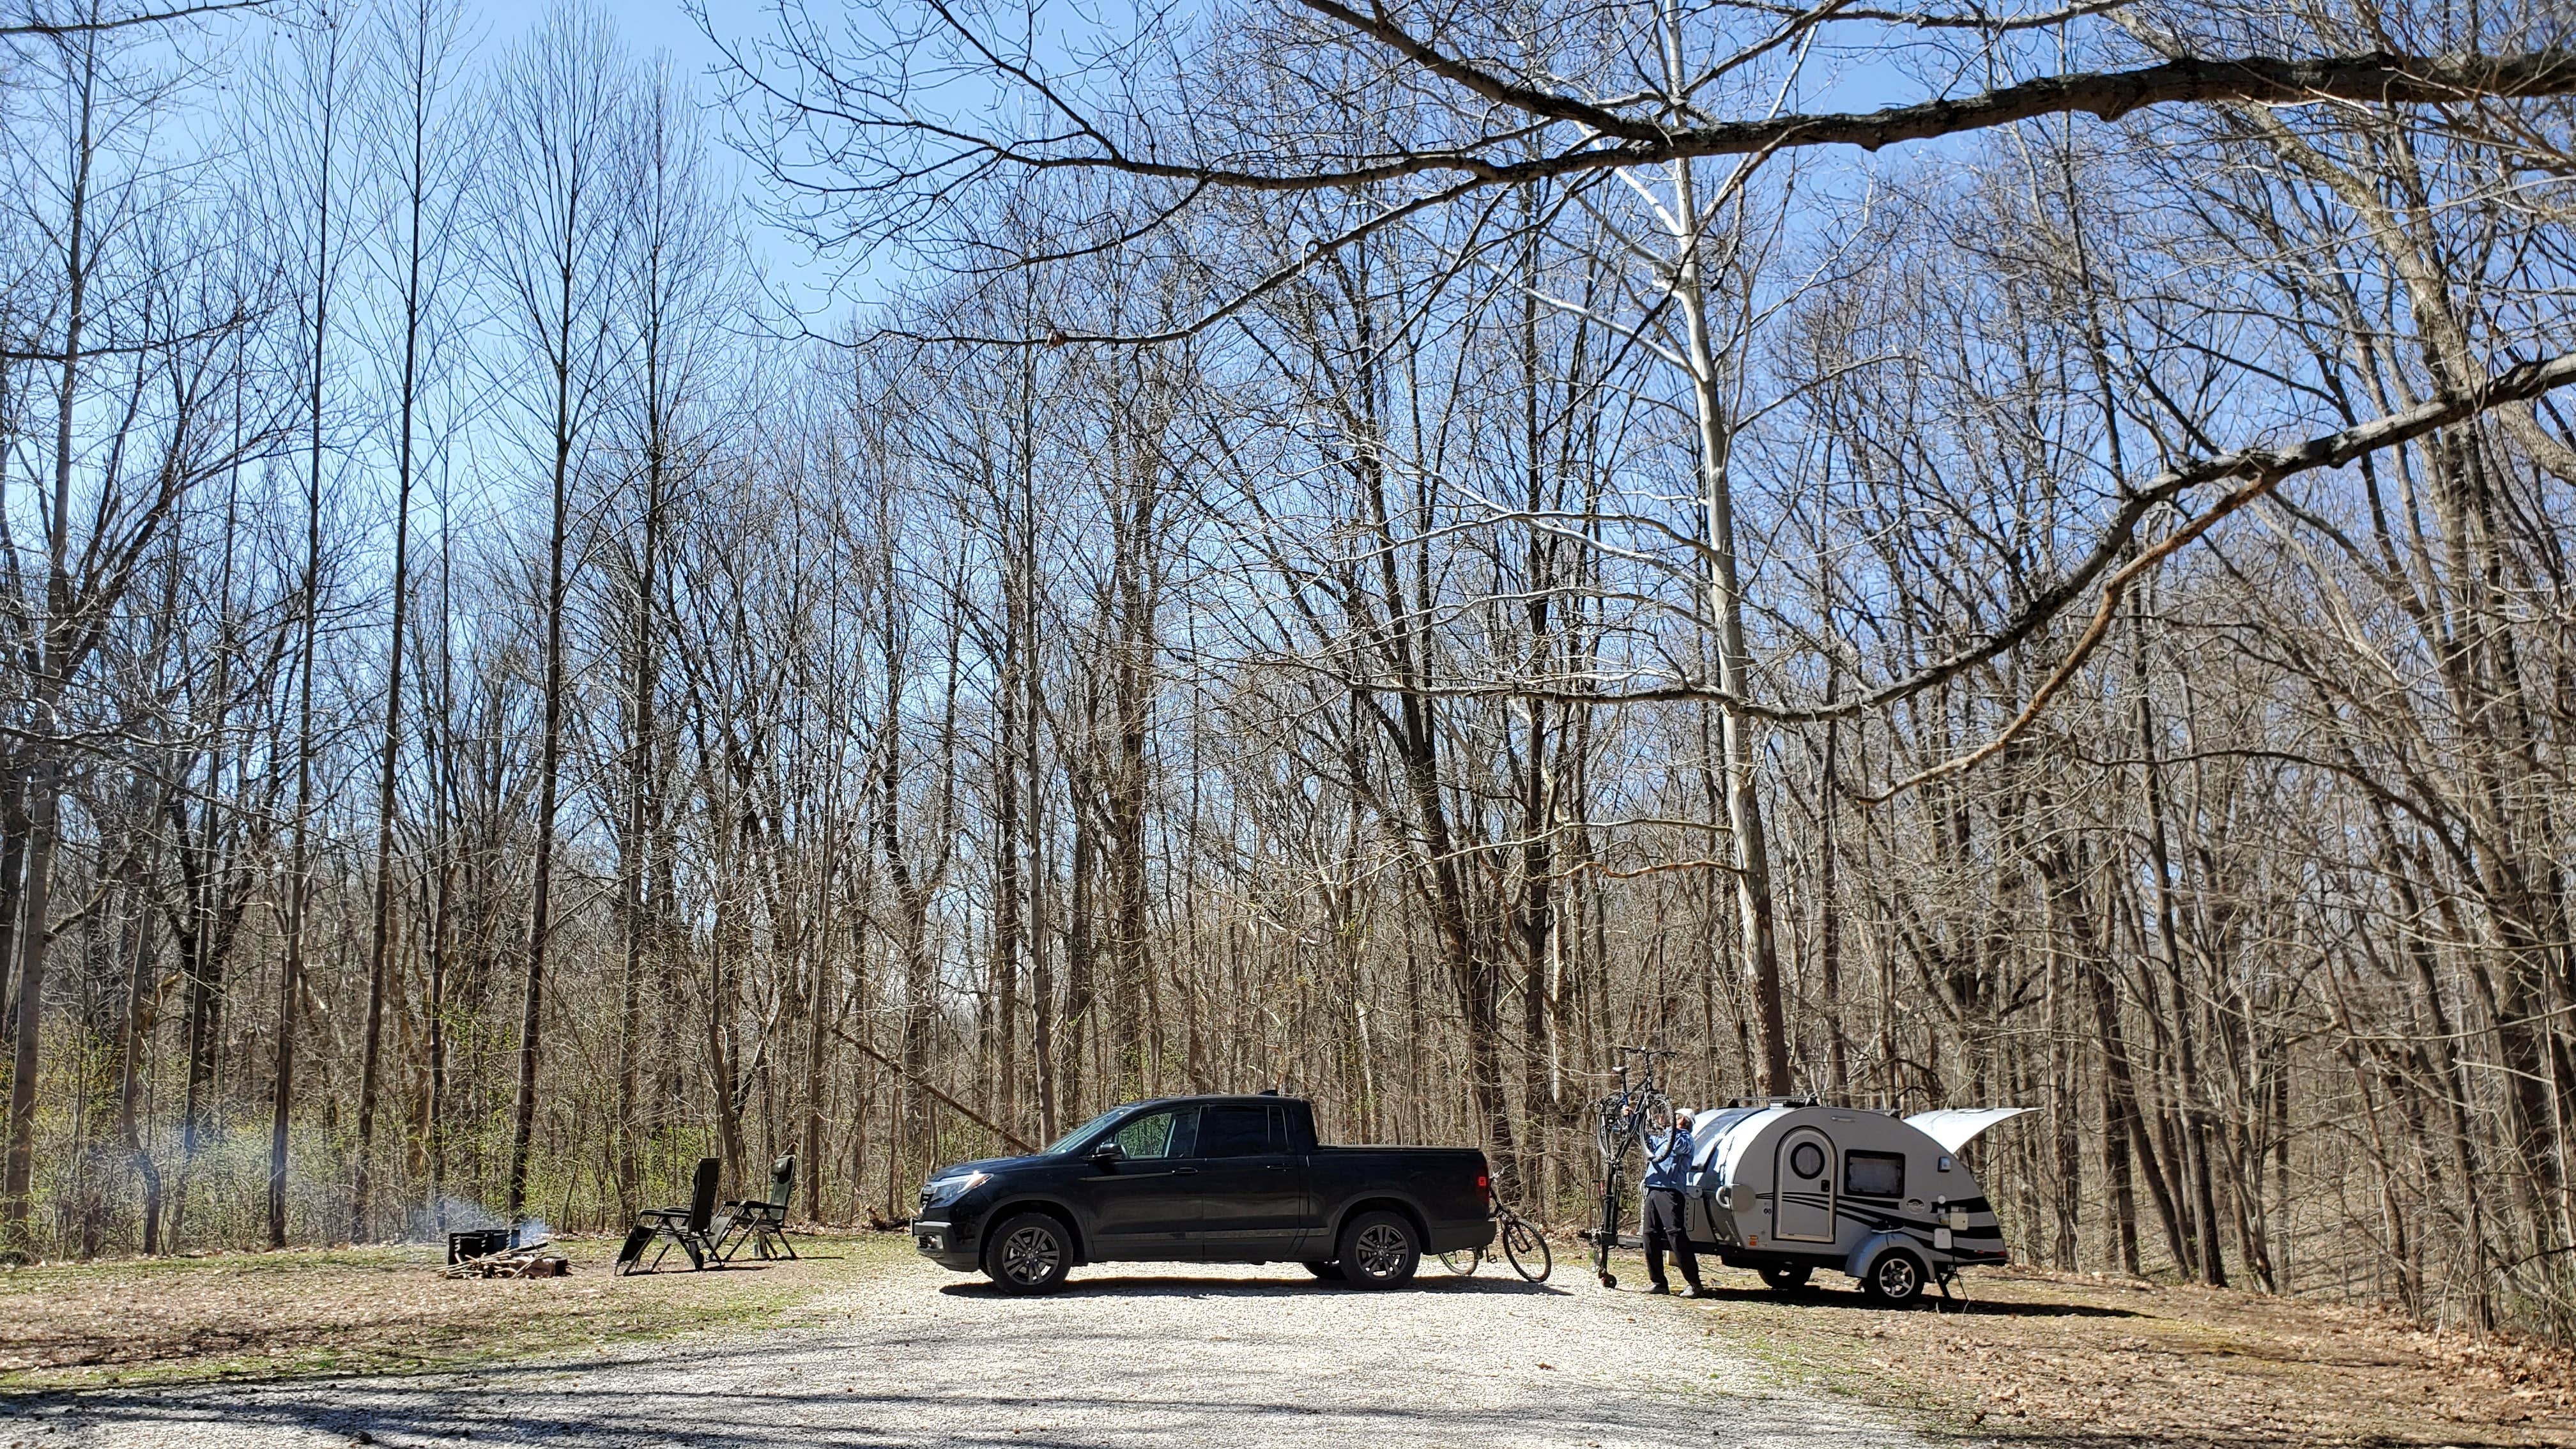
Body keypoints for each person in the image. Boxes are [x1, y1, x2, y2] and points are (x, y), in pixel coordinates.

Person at [1641, 1108, 1708, 1296]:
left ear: (1684, 1122)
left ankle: (1695, 1284)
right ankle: (1658, 1282)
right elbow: (1644, 1139)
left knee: (1676, 1236)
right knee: (1649, 1235)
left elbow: (1676, 1146)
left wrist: (1670, 1130)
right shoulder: (1664, 1138)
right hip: (1654, 1189)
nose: (1671, 1118)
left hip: (1670, 1192)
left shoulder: (1685, 1139)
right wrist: (1631, 1118)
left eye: (1676, 1116)